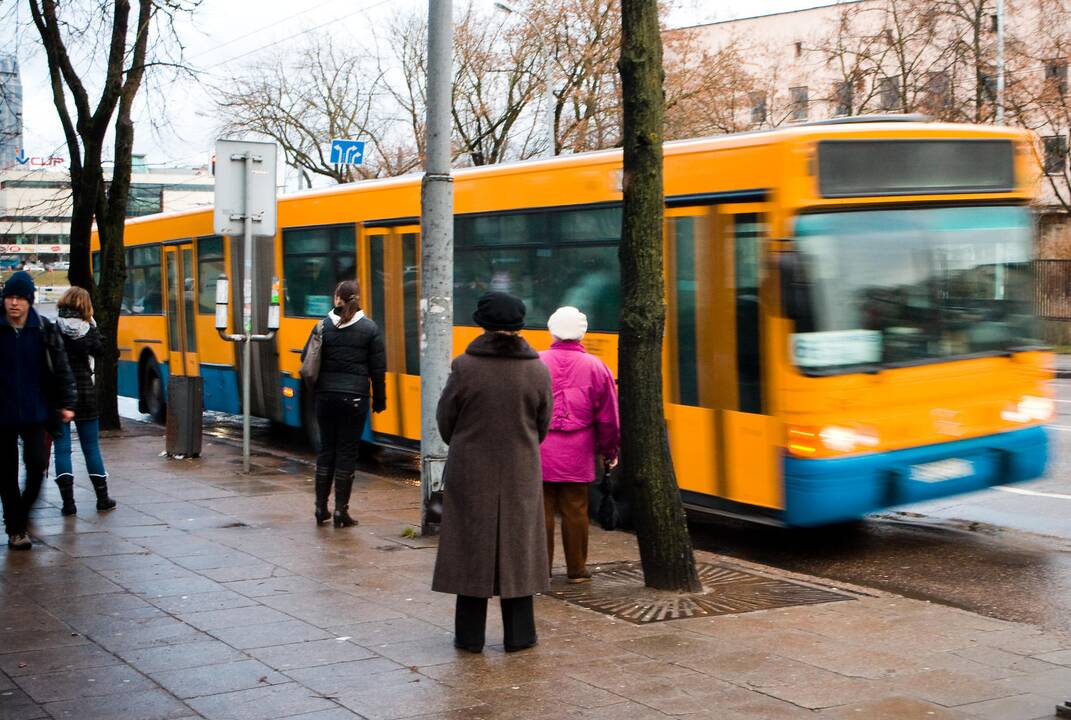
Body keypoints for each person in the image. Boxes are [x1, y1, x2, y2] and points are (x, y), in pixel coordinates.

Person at [432, 291, 553, 654]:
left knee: (471, 548)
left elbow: (445, 420)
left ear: (481, 324)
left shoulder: (464, 366)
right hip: (520, 471)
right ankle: (520, 635)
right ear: (519, 325)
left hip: (471, 470)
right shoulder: (537, 369)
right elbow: (542, 424)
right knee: (519, 552)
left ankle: (469, 636)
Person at [539, 306, 620, 583]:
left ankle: (541, 570)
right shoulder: (597, 368)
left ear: (552, 330)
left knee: (543, 509)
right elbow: (609, 417)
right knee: (576, 508)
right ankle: (577, 571)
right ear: (582, 333)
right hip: (578, 449)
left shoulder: (536, 363)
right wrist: (609, 451)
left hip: (540, 448)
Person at [0, 271, 76, 550]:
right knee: (5, 473)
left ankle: (21, 512)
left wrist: (67, 403)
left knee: (36, 467)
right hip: (3, 414)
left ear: (30, 301)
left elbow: (61, 367)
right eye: (10, 297)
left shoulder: (44, 329)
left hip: (36, 411)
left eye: (20, 298)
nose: (14, 303)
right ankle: (16, 529)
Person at [302, 279, 386, 528]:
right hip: (355, 398)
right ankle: (341, 511)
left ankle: (320, 509)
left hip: (325, 397)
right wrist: (379, 400)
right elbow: (378, 370)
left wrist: (318, 391)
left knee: (327, 450)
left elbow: (307, 361)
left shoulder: (322, 326)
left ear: (336, 298)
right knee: (347, 451)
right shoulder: (370, 329)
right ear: (358, 298)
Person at [52, 287, 116, 516]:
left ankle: (68, 503)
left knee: (62, 449)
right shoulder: (90, 329)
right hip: (85, 392)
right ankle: (102, 498)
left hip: (60, 393)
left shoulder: (54, 328)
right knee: (91, 447)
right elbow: (100, 352)